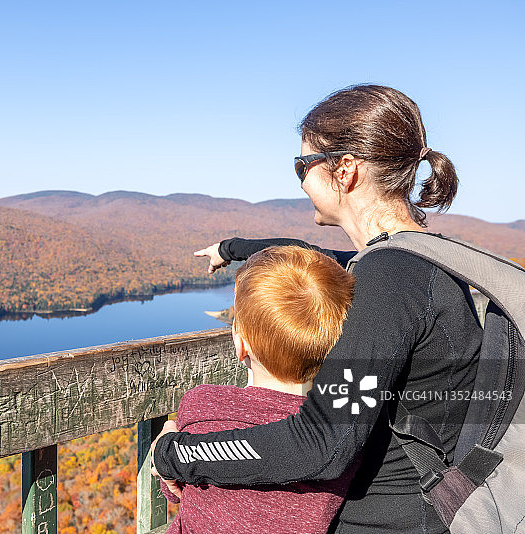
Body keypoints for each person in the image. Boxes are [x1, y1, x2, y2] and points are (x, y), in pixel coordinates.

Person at [151, 84, 482, 533]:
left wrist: (178, 454)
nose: (301, 179)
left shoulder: (389, 283)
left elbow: (320, 443)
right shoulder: (415, 260)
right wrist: (231, 249)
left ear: (344, 170)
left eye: (302, 165)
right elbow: (306, 253)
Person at [160, 246, 356, 534]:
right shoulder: (343, 429)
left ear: (241, 344)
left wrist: (171, 436)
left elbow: (175, 490)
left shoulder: (203, 404)